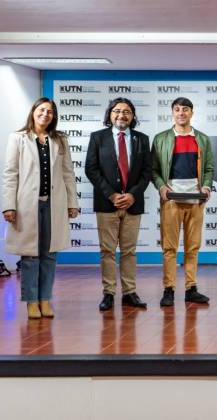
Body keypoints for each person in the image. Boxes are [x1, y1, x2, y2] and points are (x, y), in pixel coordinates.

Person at [2, 97, 79, 319]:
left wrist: (72, 202)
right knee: (30, 255)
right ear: (33, 111)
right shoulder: (18, 138)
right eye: (42, 110)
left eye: (50, 111)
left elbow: (68, 173)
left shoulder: (59, 139)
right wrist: (9, 205)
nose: (46, 114)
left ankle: (45, 299)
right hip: (27, 205)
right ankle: (31, 301)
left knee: (49, 254)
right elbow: (10, 174)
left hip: (54, 204)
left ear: (54, 116)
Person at [85, 97, 152, 311]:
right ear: (110, 114)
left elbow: (147, 172)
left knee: (129, 251)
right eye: (117, 111)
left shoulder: (142, 139)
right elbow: (91, 169)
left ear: (132, 116)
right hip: (107, 204)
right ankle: (109, 293)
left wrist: (132, 195)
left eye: (126, 112)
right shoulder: (98, 137)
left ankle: (130, 292)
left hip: (133, 205)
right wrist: (111, 195)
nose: (121, 115)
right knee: (107, 251)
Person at [152, 97, 214, 307]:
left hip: (196, 200)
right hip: (171, 201)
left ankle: (191, 289)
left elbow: (208, 169)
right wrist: (162, 187)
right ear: (172, 113)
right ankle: (168, 289)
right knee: (169, 248)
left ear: (192, 113)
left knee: (192, 247)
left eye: (185, 109)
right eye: (177, 109)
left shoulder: (202, 139)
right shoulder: (161, 139)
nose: (181, 113)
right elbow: (154, 170)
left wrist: (206, 186)